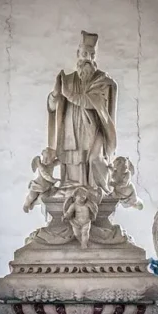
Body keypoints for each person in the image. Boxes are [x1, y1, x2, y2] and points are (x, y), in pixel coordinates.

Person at [46, 31, 117, 193]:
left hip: (93, 127)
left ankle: (94, 187)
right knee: (73, 159)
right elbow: (53, 107)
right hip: (71, 126)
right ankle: (71, 187)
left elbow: (93, 102)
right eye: (85, 53)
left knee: (93, 158)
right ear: (78, 54)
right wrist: (55, 95)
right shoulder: (67, 80)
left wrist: (68, 94)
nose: (88, 58)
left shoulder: (102, 80)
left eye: (92, 55)